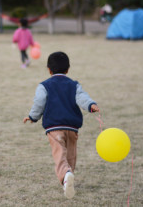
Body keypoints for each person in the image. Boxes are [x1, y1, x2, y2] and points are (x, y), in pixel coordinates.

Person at [23, 51, 100, 199]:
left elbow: (39, 103)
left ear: (49, 70)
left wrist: (33, 117)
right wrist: (91, 105)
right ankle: (68, 175)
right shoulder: (74, 85)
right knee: (70, 155)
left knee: (60, 155)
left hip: (54, 128)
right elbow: (82, 98)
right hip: (72, 127)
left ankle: (66, 175)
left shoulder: (44, 86)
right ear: (68, 69)